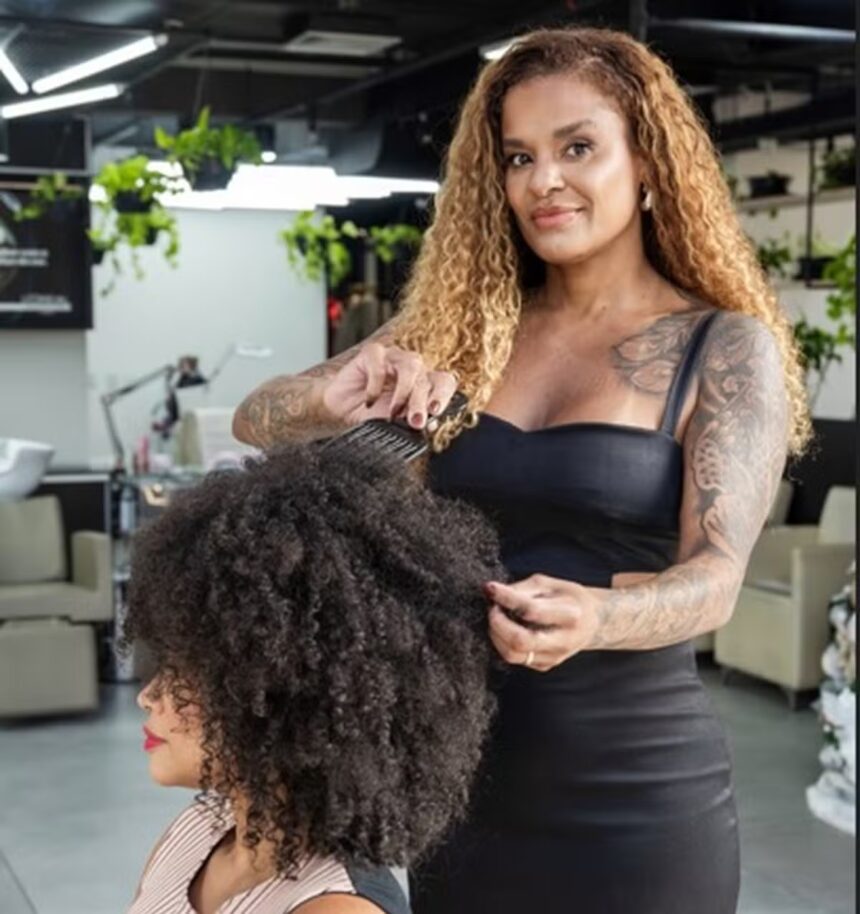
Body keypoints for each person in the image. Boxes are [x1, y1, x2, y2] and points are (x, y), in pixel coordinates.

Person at [231, 26, 811, 914]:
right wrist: (334, 395)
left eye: (577, 148)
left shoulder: (721, 348)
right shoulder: (465, 331)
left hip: (639, 794)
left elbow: (716, 579)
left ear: (647, 163)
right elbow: (255, 418)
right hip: (464, 783)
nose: (544, 181)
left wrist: (601, 616)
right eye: (519, 157)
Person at [124, 443, 502, 914]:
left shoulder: (332, 906)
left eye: (186, 675)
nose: (148, 697)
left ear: (283, 696)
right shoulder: (197, 830)